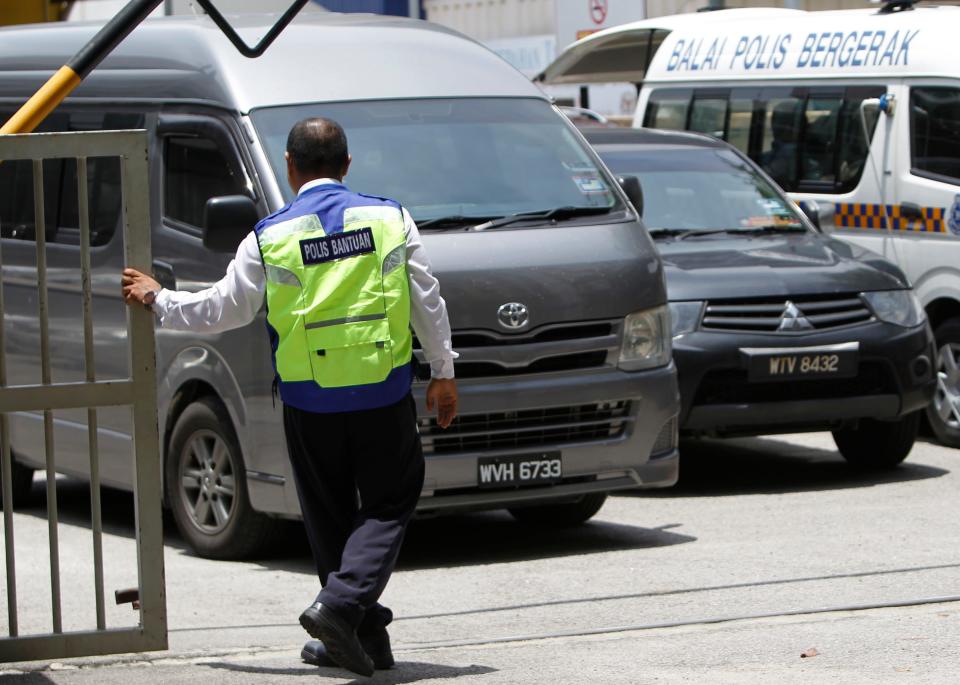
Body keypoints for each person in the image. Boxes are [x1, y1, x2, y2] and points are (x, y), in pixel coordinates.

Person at [122, 117, 458, 677]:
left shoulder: (271, 235)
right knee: (389, 502)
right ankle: (344, 613)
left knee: (327, 516)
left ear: (290, 166)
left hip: (310, 400)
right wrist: (444, 371)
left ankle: (355, 630)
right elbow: (426, 297)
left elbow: (223, 310)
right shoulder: (389, 219)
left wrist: (159, 299)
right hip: (382, 391)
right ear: (347, 166)